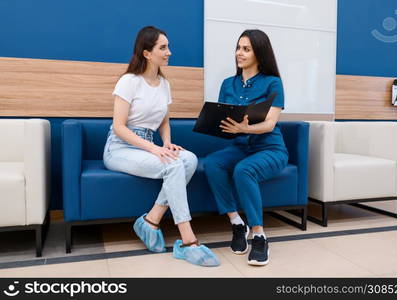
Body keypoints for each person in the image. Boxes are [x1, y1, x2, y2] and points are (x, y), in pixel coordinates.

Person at [103, 26, 219, 267]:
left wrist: (166, 143)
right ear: (147, 53)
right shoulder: (129, 81)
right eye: (163, 48)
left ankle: (151, 220)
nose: (169, 52)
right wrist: (153, 149)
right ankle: (188, 241)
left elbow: (164, 120)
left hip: (149, 142)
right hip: (120, 147)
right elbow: (119, 127)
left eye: (168, 47)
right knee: (174, 165)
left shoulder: (164, 84)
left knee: (190, 159)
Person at [204, 29, 288, 266]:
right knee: (212, 163)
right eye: (238, 47)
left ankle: (259, 235)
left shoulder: (273, 83)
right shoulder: (227, 84)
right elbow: (224, 121)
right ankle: (237, 224)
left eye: (246, 49)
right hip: (240, 146)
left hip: (270, 148)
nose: (239, 53)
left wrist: (244, 129)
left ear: (259, 53)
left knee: (244, 170)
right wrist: (215, 125)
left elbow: (270, 123)